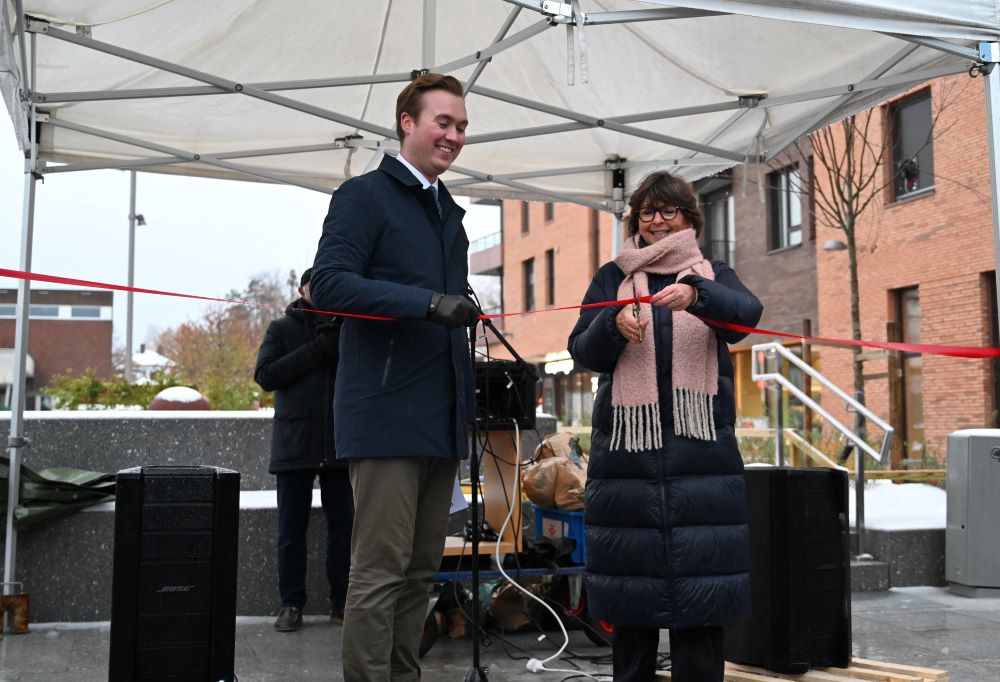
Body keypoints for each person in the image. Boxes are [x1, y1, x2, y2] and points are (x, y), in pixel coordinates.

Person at [309, 72, 478, 681]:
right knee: (379, 571)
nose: (453, 135)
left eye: (461, 126)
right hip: (384, 413)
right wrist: (428, 303)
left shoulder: (449, 213)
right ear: (407, 123)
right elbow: (328, 284)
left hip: (441, 417)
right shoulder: (363, 196)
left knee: (419, 572)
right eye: (442, 122)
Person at [567, 171, 763, 681]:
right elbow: (583, 351)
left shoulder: (711, 273)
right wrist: (612, 326)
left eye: (668, 210)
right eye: (648, 211)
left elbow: (745, 318)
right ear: (636, 218)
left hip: (703, 461)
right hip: (626, 462)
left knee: (701, 607)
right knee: (631, 608)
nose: (658, 220)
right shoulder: (611, 276)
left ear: (688, 216)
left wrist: (698, 297)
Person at [253, 267, 354, 632]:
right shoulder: (282, 328)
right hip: (294, 442)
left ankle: (342, 604)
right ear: (302, 290)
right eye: (315, 285)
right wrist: (316, 350)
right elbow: (266, 376)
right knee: (291, 530)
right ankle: (291, 604)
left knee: (344, 529)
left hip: (340, 443)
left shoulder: (350, 329)